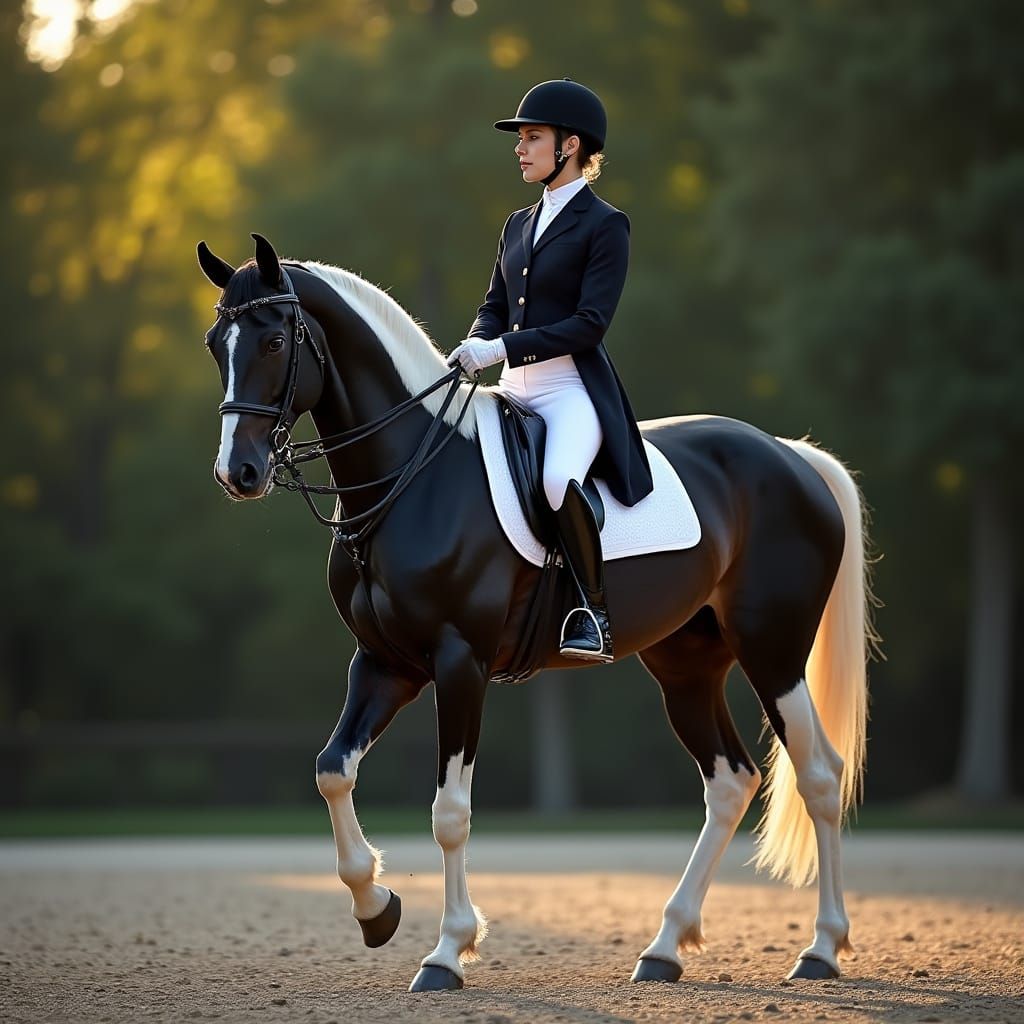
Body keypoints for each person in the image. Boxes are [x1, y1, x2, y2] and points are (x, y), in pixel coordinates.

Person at [448, 78, 653, 664]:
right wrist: (474, 344)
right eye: (521, 139)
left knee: (558, 480)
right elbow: (494, 305)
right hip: (512, 388)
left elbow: (590, 324)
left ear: (569, 145)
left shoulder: (605, 224)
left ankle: (595, 611)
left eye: (532, 138)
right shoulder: (516, 224)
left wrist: (501, 349)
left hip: (569, 391)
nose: (519, 148)